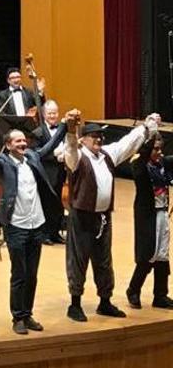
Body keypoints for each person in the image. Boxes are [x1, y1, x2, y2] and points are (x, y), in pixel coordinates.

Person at [63, 114, 160, 322]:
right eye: (93, 136)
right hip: (82, 218)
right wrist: (71, 131)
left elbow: (127, 144)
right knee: (78, 260)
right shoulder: (77, 157)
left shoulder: (107, 155)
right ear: (84, 139)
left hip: (103, 218)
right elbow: (70, 148)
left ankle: (104, 301)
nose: (98, 140)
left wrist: (147, 126)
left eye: (100, 136)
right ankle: (75, 304)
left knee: (104, 261)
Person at [0, 113, 73, 334]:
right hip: (16, 226)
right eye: (18, 141)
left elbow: (50, 145)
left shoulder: (32, 157)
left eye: (24, 140)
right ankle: (18, 317)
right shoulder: (3, 162)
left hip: (37, 224)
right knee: (19, 274)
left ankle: (28, 313)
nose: (23, 144)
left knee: (32, 274)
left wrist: (63, 125)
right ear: (8, 145)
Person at [127, 132, 173, 310]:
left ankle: (160, 295)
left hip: (162, 214)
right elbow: (139, 167)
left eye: (161, 149)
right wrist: (147, 140)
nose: (159, 153)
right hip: (147, 216)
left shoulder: (163, 163)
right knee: (147, 254)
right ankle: (133, 290)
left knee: (162, 254)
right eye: (155, 149)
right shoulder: (139, 166)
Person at [31, 100, 67, 244]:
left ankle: (55, 232)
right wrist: (55, 155)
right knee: (46, 203)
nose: (53, 116)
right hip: (45, 172)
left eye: (55, 113)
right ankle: (44, 233)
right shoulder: (37, 132)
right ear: (44, 114)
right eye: (50, 113)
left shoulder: (63, 129)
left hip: (60, 171)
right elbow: (37, 154)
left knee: (58, 203)